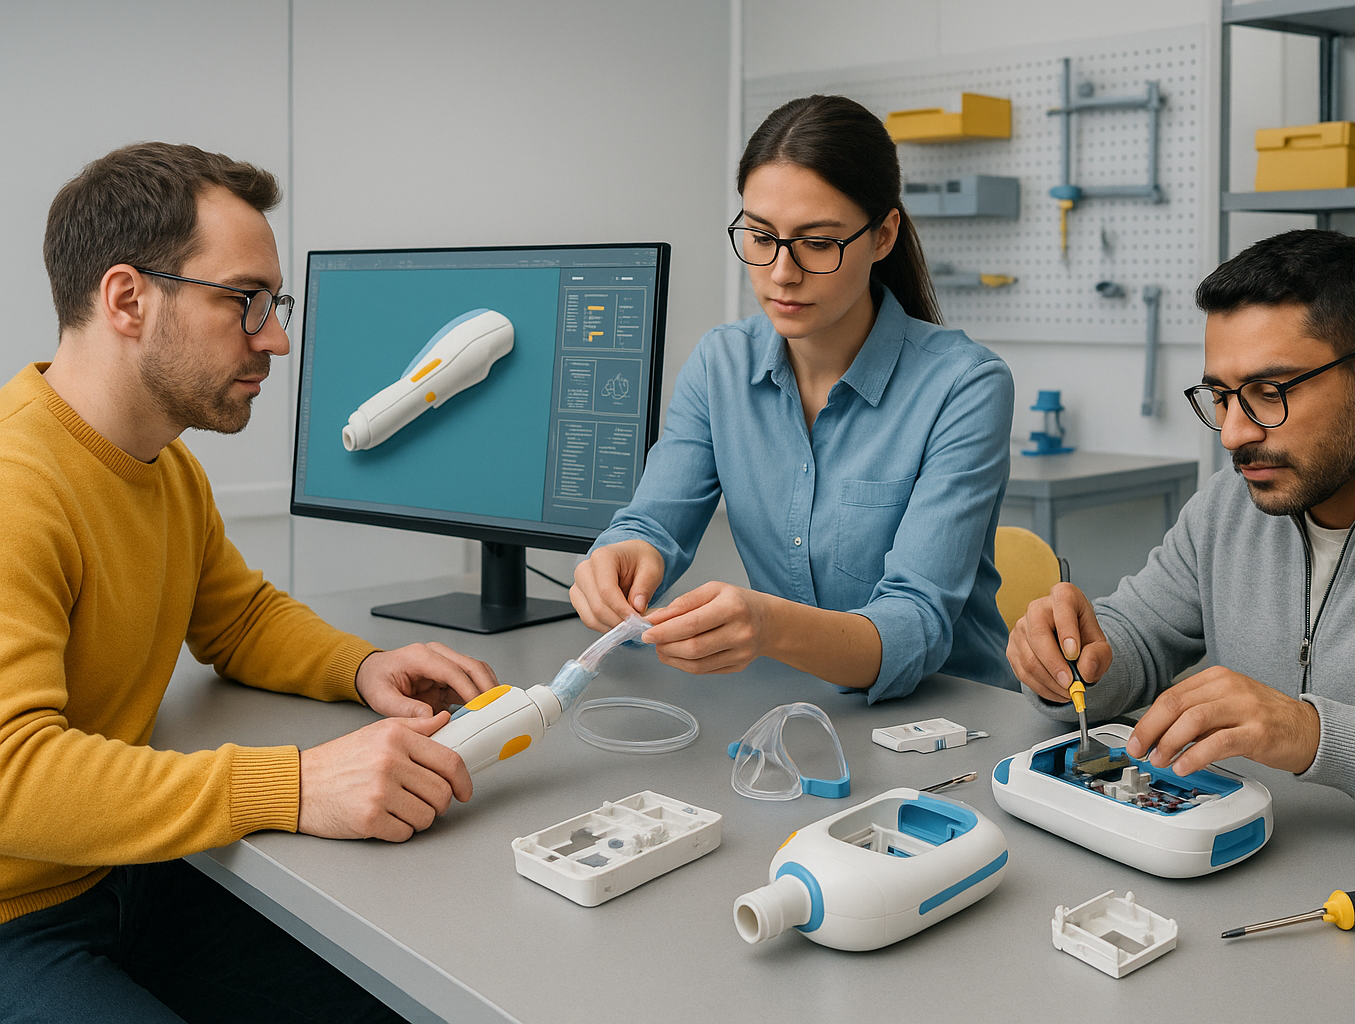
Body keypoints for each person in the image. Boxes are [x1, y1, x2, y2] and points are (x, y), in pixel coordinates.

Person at [0, 143, 502, 1022]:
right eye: (246, 303)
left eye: (276, 305)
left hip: (128, 875)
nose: (276, 337)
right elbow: (12, 778)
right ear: (126, 298)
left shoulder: (161, 466)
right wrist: (297, 786)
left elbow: (236, 620)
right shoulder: (16, 486)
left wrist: (361, 668)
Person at [1008, 229, 1355, 847]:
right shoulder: (1227, 507)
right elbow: (1135, 642)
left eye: (1269, 393)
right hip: (1239, 870)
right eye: (1222, 396)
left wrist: (1314, 736)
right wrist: (1073, 658)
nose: (1232, 434)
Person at [570, 95, 1015, 702]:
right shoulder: (719, 364)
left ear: (883, 236)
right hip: (792, 706)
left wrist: (769, 626)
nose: (781, 272)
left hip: (951, 723)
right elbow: (652, 523)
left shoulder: (964, 386)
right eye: (760, 235)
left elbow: (916, 623)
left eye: (817, 242)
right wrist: (622, 557)